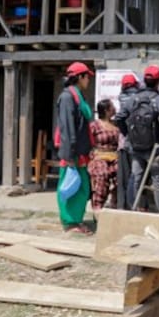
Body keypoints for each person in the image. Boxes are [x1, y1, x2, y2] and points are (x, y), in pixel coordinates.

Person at [115, 65, 159, 211]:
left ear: (144, 80)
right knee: (158, 179)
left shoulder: (133, 99)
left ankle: (134, 208)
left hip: (135, 146)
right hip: (154, 147)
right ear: (158, 81)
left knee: (135, 176)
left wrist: (128, 134)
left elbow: (119, 118)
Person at [56, 62, 95, 235]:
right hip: (72, 153)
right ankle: (71, 223)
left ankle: (76, 220)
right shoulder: (67, 97)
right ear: (79, 77)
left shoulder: (78, 96)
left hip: (81, 152)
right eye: (87, 77)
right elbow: (67, 127)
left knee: (83, 188)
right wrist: (70, 154)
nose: (89, 80)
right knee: (71, 188)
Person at [87, 99, 121, 211]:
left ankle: (116, 204)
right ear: (107, 110)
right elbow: (87, 142)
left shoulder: (116, 124)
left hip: (115, 156)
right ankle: (98, 207)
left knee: (121, 175)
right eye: (112, 107)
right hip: (99, 156)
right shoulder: (94, 125)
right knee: (102, 175)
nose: (115, 109)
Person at [116, 73, 139, 209]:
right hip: (140, 141)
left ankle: (122, 205)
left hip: (124, 142)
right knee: (136, 174)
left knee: (124, 176)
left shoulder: (122, 97)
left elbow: (119, 118)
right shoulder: (138, 97)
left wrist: (125, 133)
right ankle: (136, 204)